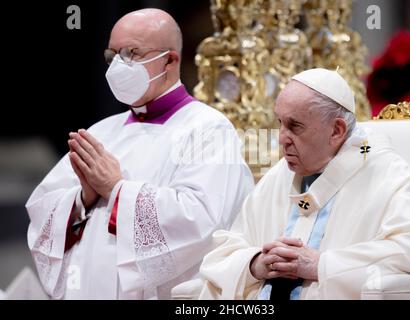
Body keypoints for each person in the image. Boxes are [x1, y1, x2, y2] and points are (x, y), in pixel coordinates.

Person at [26, 8, 254, 299]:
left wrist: (116, 190)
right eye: (112, 56)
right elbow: (43, 213)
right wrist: (84, 198)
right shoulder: (102, 131)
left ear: (170, 60)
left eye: (131, 53)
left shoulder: (208, 129)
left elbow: (202, 219)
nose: (118, 66)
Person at [173, 68, 410, 300]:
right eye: (280, 123)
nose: (281, 138)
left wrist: (319, 265)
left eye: (295, 126)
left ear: (337, 131)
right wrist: (256, 264)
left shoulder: (385, 172)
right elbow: (229, 246)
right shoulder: (282, 173)